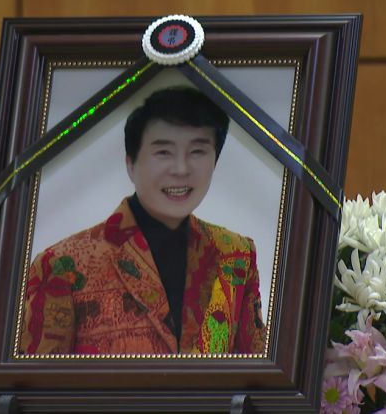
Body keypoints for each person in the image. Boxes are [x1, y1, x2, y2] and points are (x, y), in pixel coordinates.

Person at [19, 86, 265, 355]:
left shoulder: (236, 253)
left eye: (197, 151)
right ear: (131, 164)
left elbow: (256, 368)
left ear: (215, 161)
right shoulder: (62, 264)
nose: (181, 169)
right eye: (163, 152)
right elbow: (35, 379)